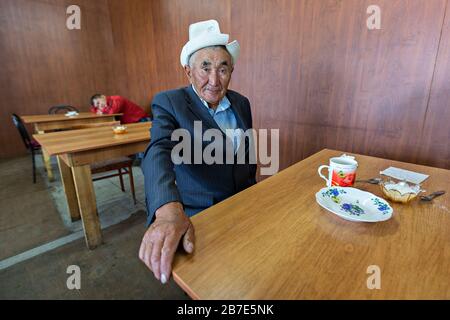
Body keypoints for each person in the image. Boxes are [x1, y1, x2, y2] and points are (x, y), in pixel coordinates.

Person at [139, 20, 257, 284]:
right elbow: (158, 150)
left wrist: (253, 192)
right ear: (188, 71)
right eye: (205, 68)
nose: (214, 80)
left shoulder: (241, 102)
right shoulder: (170, 102)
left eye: (222, 69)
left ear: (232, 71)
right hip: (199, 213)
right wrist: (168, 211)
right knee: (210, 282)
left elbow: (247, 154)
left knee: (252, 271)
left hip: (243, 204)